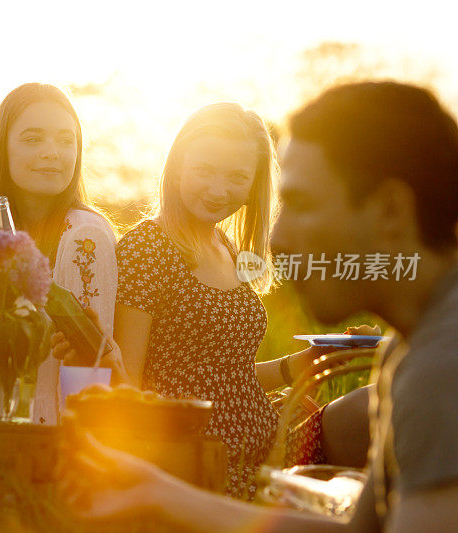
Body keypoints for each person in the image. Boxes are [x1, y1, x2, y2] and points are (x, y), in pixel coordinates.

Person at [60, 81, 458, 531]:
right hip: (213, 452)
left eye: (302, 204)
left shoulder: (440, 365)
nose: (279, 239)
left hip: (257, 439)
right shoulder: (408, 355)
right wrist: (160, 491)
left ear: (390, 211)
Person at [112, 102, 336, 498]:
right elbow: (127, 382)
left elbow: (223, 370)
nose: (219, 191)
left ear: (255, 184)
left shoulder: (227, 248)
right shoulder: (146, 248)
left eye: (237, 177)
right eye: (204, 171)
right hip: (201, 462)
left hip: (267, 446)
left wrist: (294, 368)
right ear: (178, 165)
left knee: (375, 407)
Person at [0, 83, 119, 425]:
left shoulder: (85, 236)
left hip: (57, 437)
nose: (53, 152)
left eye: (66, 141)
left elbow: (88, 373)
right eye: (33, 139)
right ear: (1, 150)